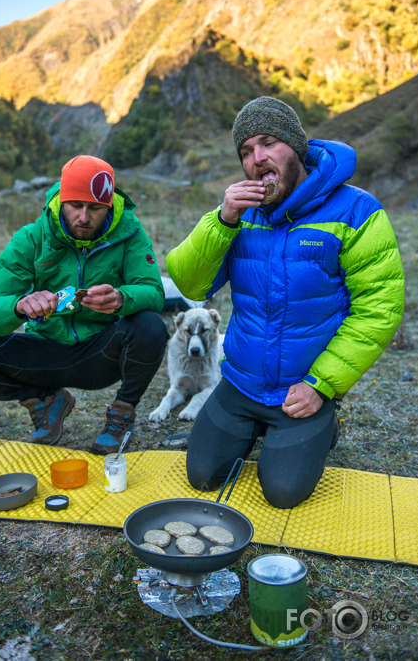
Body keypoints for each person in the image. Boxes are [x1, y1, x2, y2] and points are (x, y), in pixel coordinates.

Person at [166, 96, 405, 508]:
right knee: (202, 476)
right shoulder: (240, 212)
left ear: (296, 147)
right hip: (241, 381)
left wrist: (322, 385)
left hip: (302, 388)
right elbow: (190, 280)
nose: (257, 159)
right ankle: (254, 428)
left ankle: (322, 427)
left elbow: (378, 307)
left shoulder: (357, 211)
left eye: (268, 143)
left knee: (282, 492)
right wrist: (221, 222)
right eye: (245, 151)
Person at [0, 155, 168, 454]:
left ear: (108, 206)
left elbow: (154, 292)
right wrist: (19, 305)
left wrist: (121, 298)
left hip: (100, 354)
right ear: (61, 200)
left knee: (150, 326)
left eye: (94, 208)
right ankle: (44, 399)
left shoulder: (130, 234)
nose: (83, 217)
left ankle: (122, 412)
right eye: (75, 205)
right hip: (42, 352)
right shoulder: (32, 237)